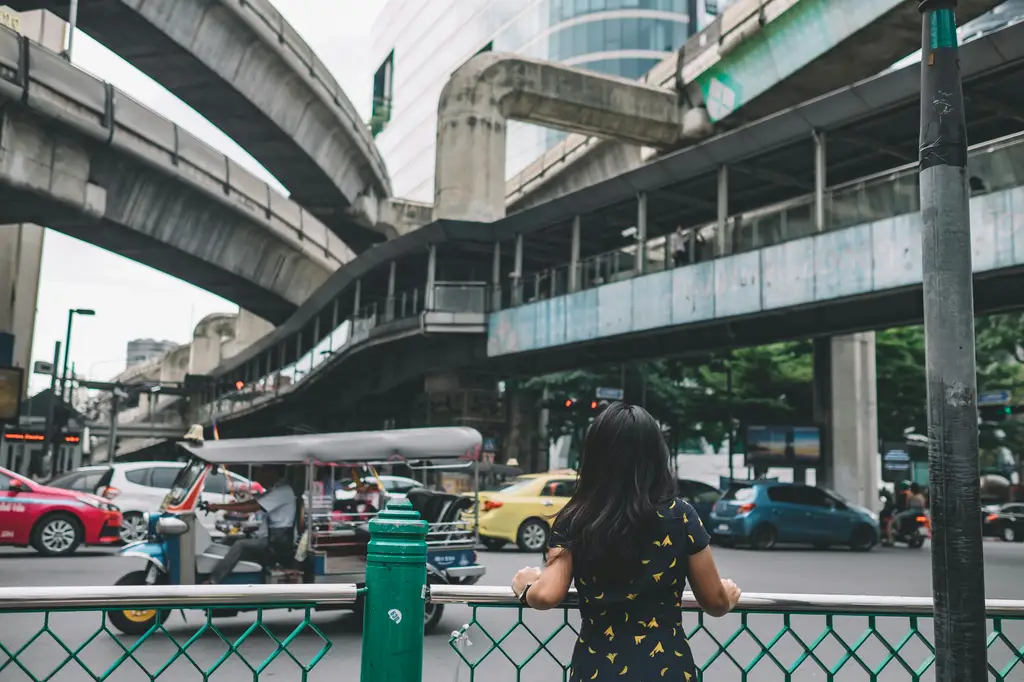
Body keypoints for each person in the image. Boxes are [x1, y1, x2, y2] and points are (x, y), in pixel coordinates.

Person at [510, 402, 742, 681]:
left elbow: (546, 595)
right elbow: (714, 602)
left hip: (597, 668)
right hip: (666, 667)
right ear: (657, 456)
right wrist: (726, 595)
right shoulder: (680, 515)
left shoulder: (575, 517)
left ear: (594, 456)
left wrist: (526, 587)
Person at [204, 464, 297, 584]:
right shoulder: (275, 489)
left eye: (262, 471)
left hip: (277, 542)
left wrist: (219, 507)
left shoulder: (282, 491)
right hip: (270, 537)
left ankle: (213, 581)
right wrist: (218, 506)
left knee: (240, 545)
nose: (258, 476)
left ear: (272, 472)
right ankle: (214, 565)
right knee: (229, 539)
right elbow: (251, 502)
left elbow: (252, 507)